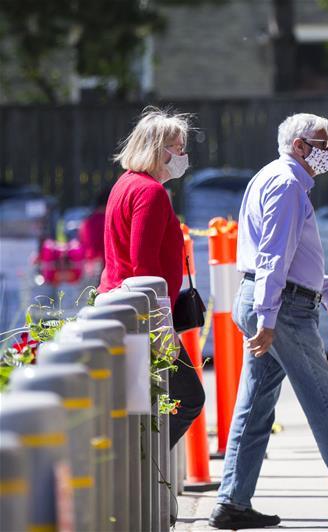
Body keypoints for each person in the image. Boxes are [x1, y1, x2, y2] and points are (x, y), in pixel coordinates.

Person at [210, 113, 328, 530]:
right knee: (325, 399)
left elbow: (294, 255)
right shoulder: (288, 184)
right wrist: (268, 317)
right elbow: (274, 258)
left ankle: (232, 502)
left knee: (255, 407)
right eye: (322, 142)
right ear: (299, 146)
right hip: (283, 308)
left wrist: (327, 296)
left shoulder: (277, 178)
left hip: (277, 303)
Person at [99, 107, 205, 446]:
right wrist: (163, 330)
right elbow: (144, 265)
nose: (183, 155)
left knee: (143, 405)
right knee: (188, 400)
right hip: (140, 314)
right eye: (177, 147)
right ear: (157, 149)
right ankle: (143, 472)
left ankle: (140, 480)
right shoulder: (150, 193)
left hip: (123, 306)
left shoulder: (125, 185)